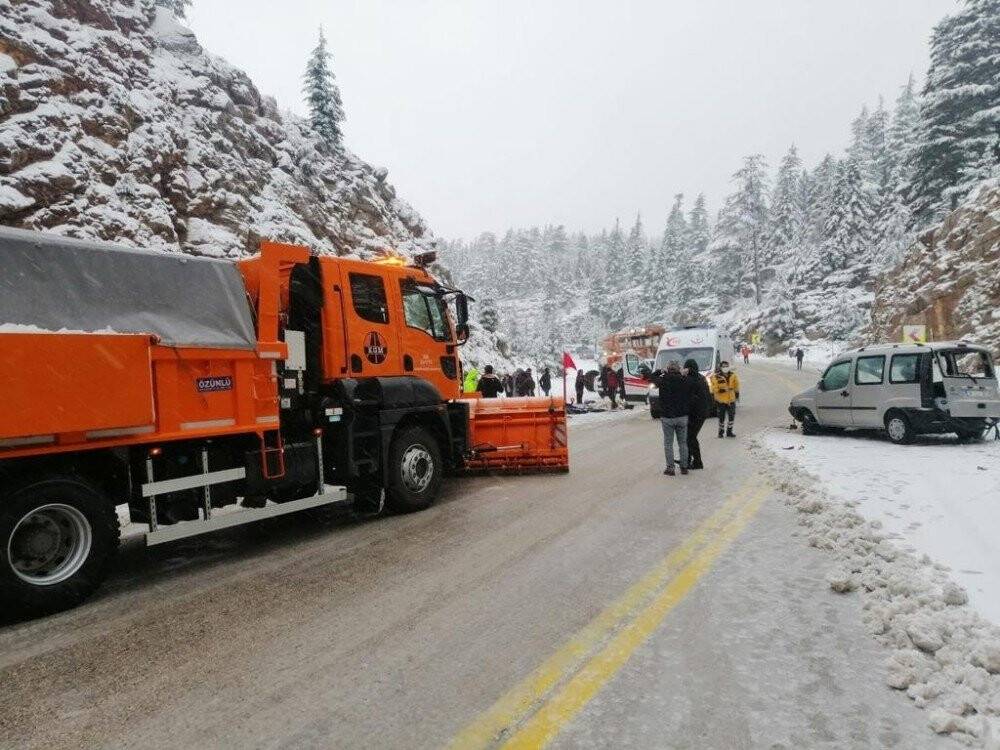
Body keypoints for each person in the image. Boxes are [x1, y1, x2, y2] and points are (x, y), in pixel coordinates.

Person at [649, 360, 692, 475]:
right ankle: (684, 467)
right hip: (682, 416)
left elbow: (651, 378)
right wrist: (684, 373)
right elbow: (692, 381)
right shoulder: (684, 380)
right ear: (678, 369)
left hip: (667, 417)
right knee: (683, 443)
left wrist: (659, 371)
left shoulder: (662, 380)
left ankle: (670, 468)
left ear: (668, 369)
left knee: (668, 443)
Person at [684, 358, 710, 470]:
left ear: (689, 368)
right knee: (690, 437)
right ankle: (688, 459)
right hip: (702, 412)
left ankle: (697, 462)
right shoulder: (701, 377)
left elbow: (689, 398)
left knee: (690, 437)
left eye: (686, 367)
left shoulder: (690, 379)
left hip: (695, 413)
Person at [710, 360, 740, 438]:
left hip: (731, 399)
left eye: (727, 366)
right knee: (721, 417)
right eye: (724, 366)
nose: (725, 368)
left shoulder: (733, 375)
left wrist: (737, 394)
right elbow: (713, 388)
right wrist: (721, 390)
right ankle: (721, 432)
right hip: (721, 400)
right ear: (721, 367)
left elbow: (736, 385)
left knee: (731, 416)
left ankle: (729, 431)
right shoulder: (716, 376)